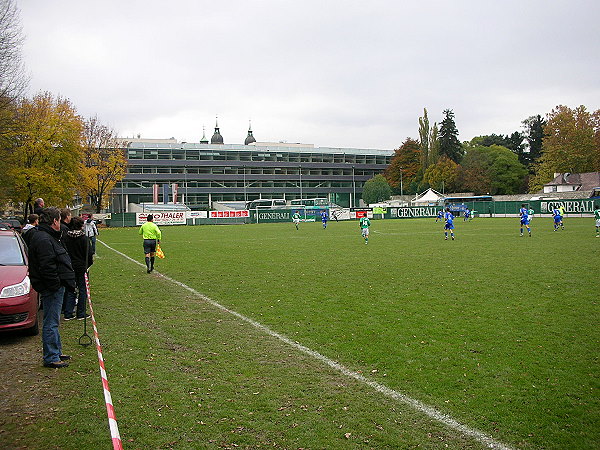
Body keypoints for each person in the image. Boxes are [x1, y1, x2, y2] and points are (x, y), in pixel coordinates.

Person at [27, 207, 76, 368]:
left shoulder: (47, 237)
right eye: (59, 221)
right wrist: (55, 284)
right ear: (55, 221)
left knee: (54, 320)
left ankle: (56, 351)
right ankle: (51, 356)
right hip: (52, 288)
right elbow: (47, 266)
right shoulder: (44, 239)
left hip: (55, 286)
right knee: (51, 321)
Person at [63, 217, 93, 320]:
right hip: (80, 267)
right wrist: (88, 265)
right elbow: (89, 254)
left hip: (70, 266)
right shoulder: (83, 238)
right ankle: (81, 312)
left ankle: (68, 312)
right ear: (81, 226)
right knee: (82, 289)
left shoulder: (66, 238)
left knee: (71, 289)